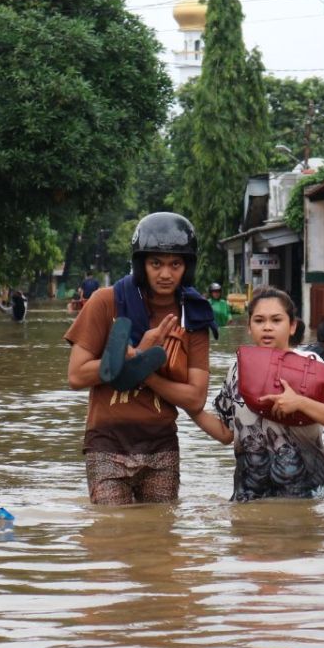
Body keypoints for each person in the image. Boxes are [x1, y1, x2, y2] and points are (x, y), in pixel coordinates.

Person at [65, 212, 217, 505]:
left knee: (159, 537)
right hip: (107, 442)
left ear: (187, 267)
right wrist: (134, 354)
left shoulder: (194, 314)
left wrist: (144, 370)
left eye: (175, 264)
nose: (165, 274)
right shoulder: (105, 302)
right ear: (141, 264)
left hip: (161, 443)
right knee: (112, 530)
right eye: (155, 263)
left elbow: (196, 398)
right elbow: (76, 375)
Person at [187, 286, 324, 502]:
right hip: (250, 494)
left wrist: (299, 403)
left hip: (305, 493)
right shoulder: (237, 370)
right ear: (249, 327)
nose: (267, 328)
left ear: (292, 326)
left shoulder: (310, 365)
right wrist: (190, 408)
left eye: (276, 320)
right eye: (259, 320)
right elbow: (227, 434)